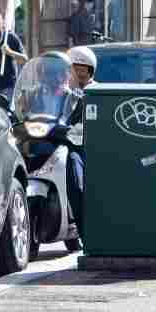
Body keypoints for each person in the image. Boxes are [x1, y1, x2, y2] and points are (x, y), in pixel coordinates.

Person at [65, 46, 96, 241]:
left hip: (93, 148)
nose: (78, 73)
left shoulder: (96, 92)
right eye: (73, 68)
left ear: (90, 70)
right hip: (70, 145)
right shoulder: (63, 92)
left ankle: (87, 234)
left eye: (82, 69)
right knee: (74, 182)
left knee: (79, 185)